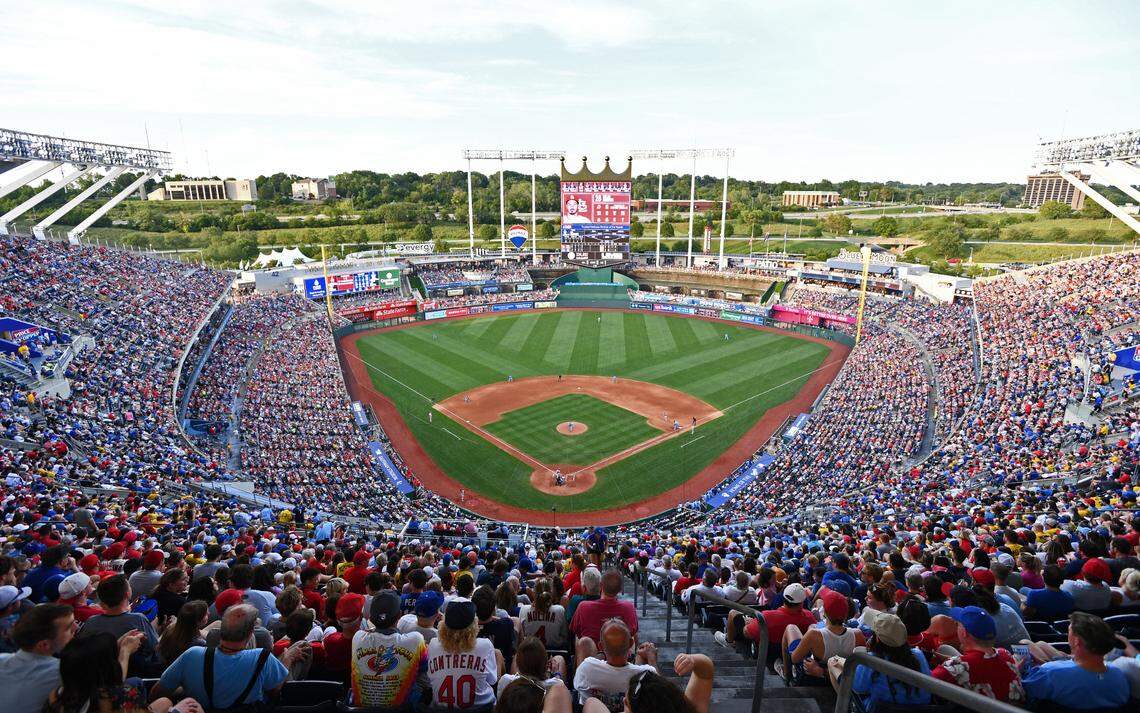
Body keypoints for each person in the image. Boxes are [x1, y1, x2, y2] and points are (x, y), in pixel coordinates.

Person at [152, 604, 303, 710]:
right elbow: (275, 691)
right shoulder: (262, 657)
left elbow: (156, 693)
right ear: (250, 633)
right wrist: (287, 659)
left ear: (221, 628)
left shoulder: (192, 655)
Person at [44, 631, 198, 713]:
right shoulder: (123, 695)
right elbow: (116, 686)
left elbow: (112, 682)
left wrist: (122, 649)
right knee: (179, 703)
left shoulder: (57, 695)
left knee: (161, 700)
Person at [1020, 612, 1131, 709]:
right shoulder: (1119, 675)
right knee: (1041, 644)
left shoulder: (1049, 673)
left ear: (1077, 641)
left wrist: (1018, 668)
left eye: (1069, 632)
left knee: (1025, 643)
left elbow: (1023, 692)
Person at [838, 608, 932, 712]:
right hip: (921, 709)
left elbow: (857, 688)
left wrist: (844, 665)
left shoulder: (871, 660)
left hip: (880, 709)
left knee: (836, 667)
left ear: (877, 639)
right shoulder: (918, 655)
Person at [350, 590, 429, 707]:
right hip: (402, 708)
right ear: (399, 615)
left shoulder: (358, 637)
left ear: (371, 617)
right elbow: (424, 668)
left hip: (361, 708)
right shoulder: (416, 640)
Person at [930, 605, 1024, 703]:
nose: (956, 627)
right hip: (1013, 707)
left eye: (957, 624)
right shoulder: (1005, 654)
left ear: (964, 632)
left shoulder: (956, 667)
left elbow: (926, 683)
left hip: (979, 708)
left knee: (944, 649)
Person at [0, 603, 76, 713]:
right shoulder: (65, 673)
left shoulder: (2, 658)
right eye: (69, 628)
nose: (76, 628)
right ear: (44, 645)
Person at [78, 575, 161, 677]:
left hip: (98, 673)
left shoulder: (91, 621)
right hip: (133, 673)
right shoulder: (138, 619)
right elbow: (155, 647)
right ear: (127, 594)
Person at [780, 589, 863, 686]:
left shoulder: (814, 634)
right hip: (841, 680)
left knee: (791, 628)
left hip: (815, 679)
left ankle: (787, 675)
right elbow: (861, 668)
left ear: (824, 613)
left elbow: (794, 658)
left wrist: (805, 642)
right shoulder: (858, 634)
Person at [427, 599, 499, 708]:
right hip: (482, 708)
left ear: (444, 624)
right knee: (498, 654)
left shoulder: (433, 644)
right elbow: (492, 680)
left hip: (441, 709)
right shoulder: (485, 645)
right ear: (474, 625)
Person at [573, 618, 656, 712]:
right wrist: (651, 658)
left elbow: (577, 687)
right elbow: (661, 689)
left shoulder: (587, 668)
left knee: (585, 642)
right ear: (631, 644)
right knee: (641, 657)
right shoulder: (646, 674)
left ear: (601, 646)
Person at [570, 570, 637, 646]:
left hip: (592, 651)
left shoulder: (583, 607)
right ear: (620, 589)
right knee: (633, 635)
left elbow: (575, 630)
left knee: (579, 638)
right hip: (620, 650)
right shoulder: (629, 607)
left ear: (601, 586)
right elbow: (633, 631)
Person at [496, 636, 568, 695]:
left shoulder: (506, 681)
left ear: (518, 664)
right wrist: (557, 674)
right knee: (559, 659)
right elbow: (560, 684)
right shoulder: (555, 685)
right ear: (545, 665)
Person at [517, 579, 568, 650]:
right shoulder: (560, 610)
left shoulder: (524, 609)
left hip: (529, 651)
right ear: (550, 593)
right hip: (555, 652)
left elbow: (521, 638)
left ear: (534, 593)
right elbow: (565, 636)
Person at [158, 601, 208, 666]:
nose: (209, 613)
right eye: (206, 614)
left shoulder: (171, 628)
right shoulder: (199, 643)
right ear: (197, 621)